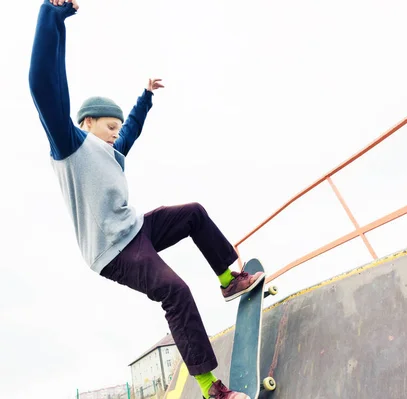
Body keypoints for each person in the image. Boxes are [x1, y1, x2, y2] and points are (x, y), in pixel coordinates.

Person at [28, 1, 264, 398]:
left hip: (138, 231)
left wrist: (145, 95)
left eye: (118, 129)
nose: (116, 135)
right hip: (114, 252)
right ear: (87, 123)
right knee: (175, 290)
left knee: (192, 214)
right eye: (109, 127)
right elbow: (43, 84)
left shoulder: (113, 152)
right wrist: (51, 16)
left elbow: (133, 129)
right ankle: (211, 388)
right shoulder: (69, 146)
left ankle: (228, 279)